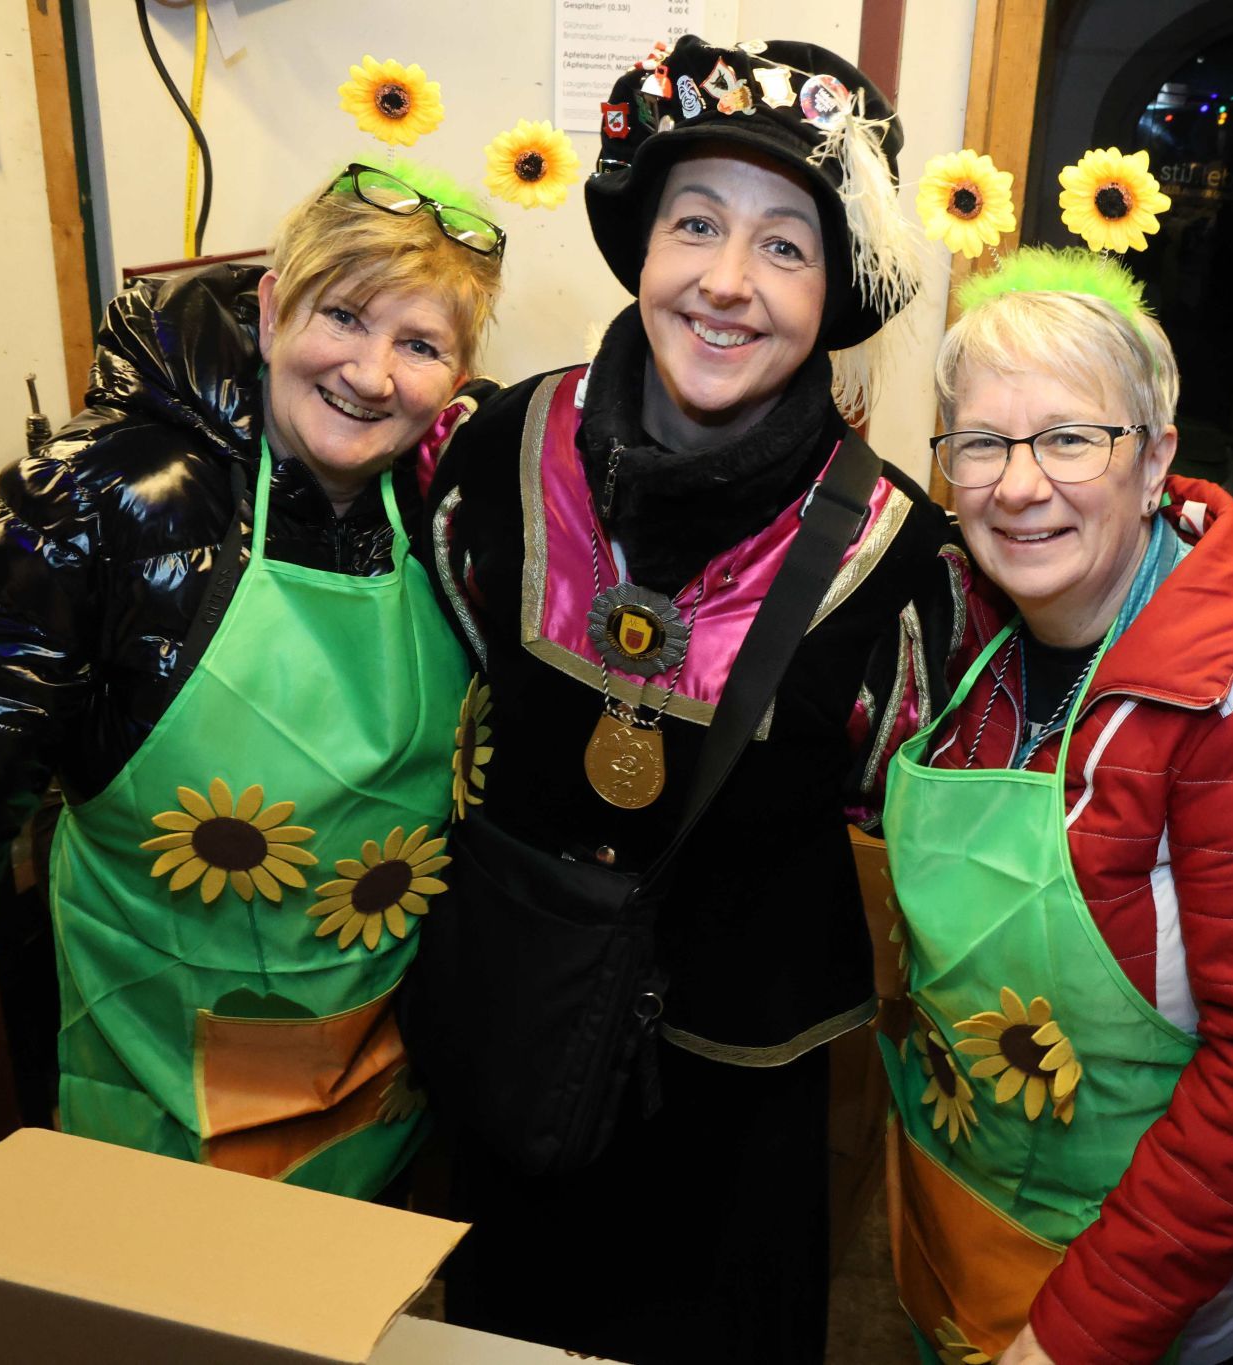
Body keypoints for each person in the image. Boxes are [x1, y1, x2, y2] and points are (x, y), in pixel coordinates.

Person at [404, 35, 964, 1365]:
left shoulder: (902, 563)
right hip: (510, 1037)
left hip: (740, 1103)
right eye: (694, 224)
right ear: (640, 248)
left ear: (834, 295)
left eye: (784, 246)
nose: (725, 281)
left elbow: (914, 817)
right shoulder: (499, 451)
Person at [0, 160, 505, 1202]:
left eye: (419, 345)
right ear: (272, 305)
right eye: (343, 315)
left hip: (379, 1065)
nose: (373, 375)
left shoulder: (452, 510)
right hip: (158, 1066)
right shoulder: (101, 500)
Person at [882, 249, 1233, 1365]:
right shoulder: (988, 629)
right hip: (972, 1215)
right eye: (980, 443)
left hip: (1131, 1300)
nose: (1019, 486)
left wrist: (1075, 1338)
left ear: (1156, 455)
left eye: (1071, 438)